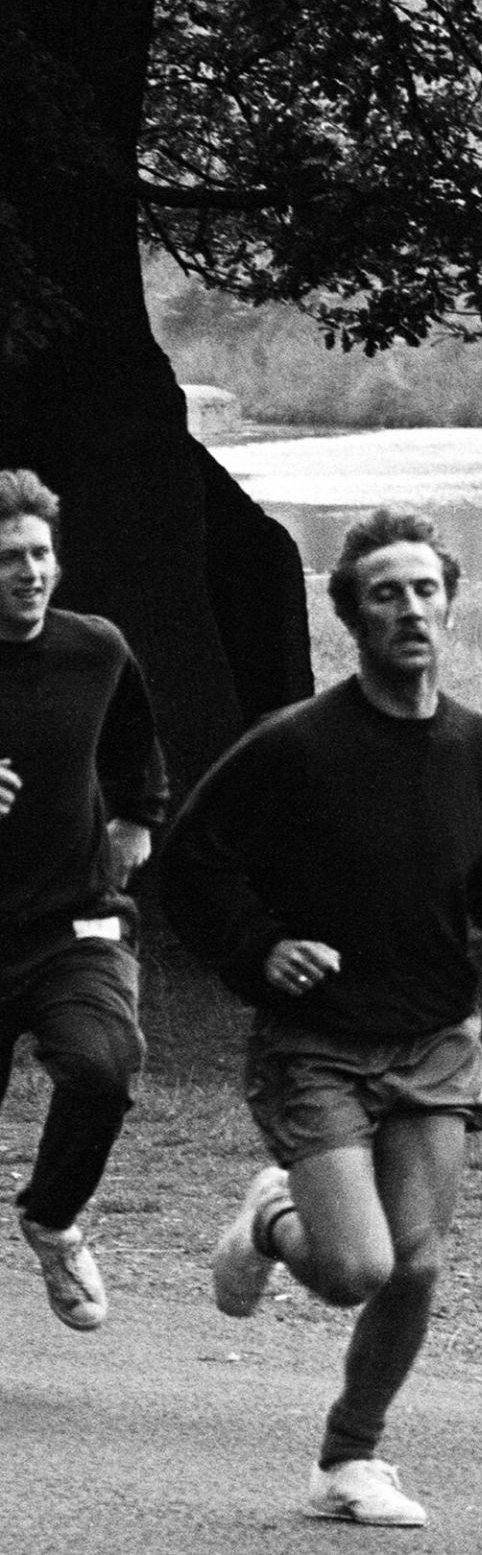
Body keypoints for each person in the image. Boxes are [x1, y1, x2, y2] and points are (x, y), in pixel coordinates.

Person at [161, 509, 482, 1530]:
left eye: (425, 588)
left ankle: (351, 1458)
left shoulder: (480, 748)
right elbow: (193, 862)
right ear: (352, 615)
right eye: (384, 593)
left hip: (437, 1033)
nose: (409, 609)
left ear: (449, 601)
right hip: (317, 1042)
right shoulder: (296, 746)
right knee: (355, 1268)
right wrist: (260, 946)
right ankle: (273, 1215)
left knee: (418, 1259)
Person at [0, 469, 167, 1333]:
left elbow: (138, 740)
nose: (29, 573)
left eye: (40, 554)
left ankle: (53, 1218)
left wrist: (139, 815)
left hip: (74, 923)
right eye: (7, 559)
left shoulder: (95, 648)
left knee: (104, 1066)